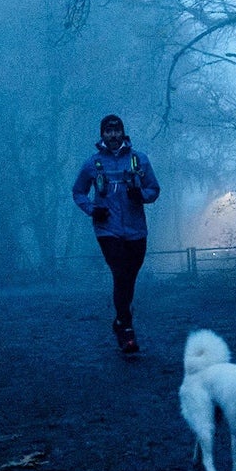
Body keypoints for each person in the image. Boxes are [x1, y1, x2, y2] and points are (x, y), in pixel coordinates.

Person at [73, 114, 161, 354]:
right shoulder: (92, 164)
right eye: (108, 131)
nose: (112, 135)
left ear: (123, 132)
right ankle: (127, 331)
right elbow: (78, 192)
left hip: (136, 230)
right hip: (107, 229)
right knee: (120, 273)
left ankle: (120, 320)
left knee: (129, 277)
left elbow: (154, 189)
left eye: (116, 130)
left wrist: (140, 195)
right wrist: (93, 210)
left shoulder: (139, 160)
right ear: (102, 134)